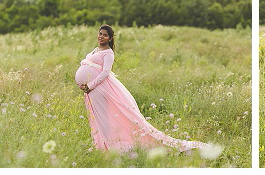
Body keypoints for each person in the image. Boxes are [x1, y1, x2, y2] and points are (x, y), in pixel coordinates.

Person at [76, 25, 205, 153]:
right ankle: (102, 144)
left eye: (105, 35)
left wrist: (90, 85)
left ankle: (112, 145)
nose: (101, 36)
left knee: (106, 117)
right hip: (92, 91)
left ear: (110, 38)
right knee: (98, 117)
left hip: (100, 89)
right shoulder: (96, 50)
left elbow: (105, 73)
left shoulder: (108, 53)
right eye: (100, 34)